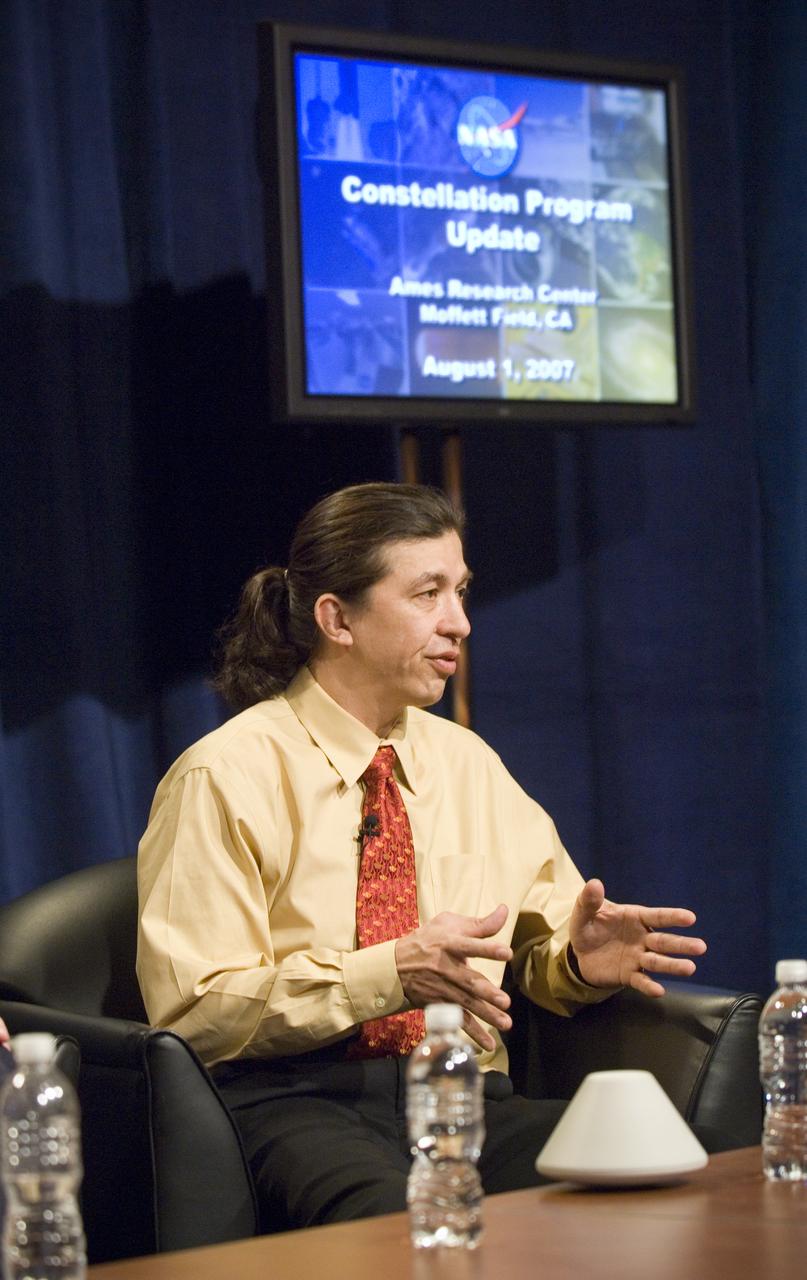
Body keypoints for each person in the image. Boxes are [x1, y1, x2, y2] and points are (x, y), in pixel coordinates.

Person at [137, 482, 706, 1231]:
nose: (460, 623)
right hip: (296, 1103)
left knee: (675, 1179)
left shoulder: (466, 764)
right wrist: (388, 972)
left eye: (461, 592)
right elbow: (192, 1012)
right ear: (336, 618)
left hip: (465, 1098)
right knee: (408, 1228)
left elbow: (537, 939)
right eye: (427, 594)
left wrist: (576, 957)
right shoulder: (227, 775)